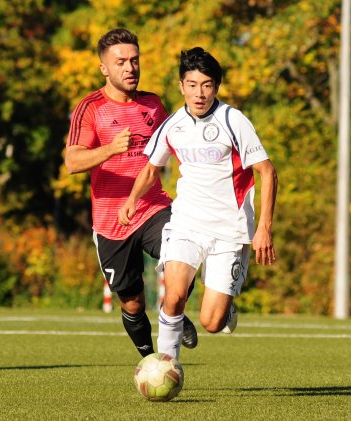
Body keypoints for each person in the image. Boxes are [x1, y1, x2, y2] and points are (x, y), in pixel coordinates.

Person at [119, 47, 278, 360]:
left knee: (211, 322)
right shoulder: (173, 125)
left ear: (215, 87)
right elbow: (151, 168)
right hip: (186, 224)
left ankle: (226, 307)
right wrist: (132, 199)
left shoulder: (233, 120)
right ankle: (167, 366)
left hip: (229, 232)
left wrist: (264, 227)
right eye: (192, 85)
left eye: (206, 85)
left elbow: (268, 172)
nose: (199, 93)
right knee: (173, 296)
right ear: (181, 87)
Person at [64, 28, 198, 358]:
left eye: (134, 60)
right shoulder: (90, 107)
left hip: (154, 206)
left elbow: (179, 147)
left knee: (181, 260)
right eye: (121, 61)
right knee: (133, 302)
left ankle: (175, 313)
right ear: (104, 68)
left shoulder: (153, 105)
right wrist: (109, 149)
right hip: (112, 222)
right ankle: (152, 361)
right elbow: (72, 161)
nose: (130, 68)